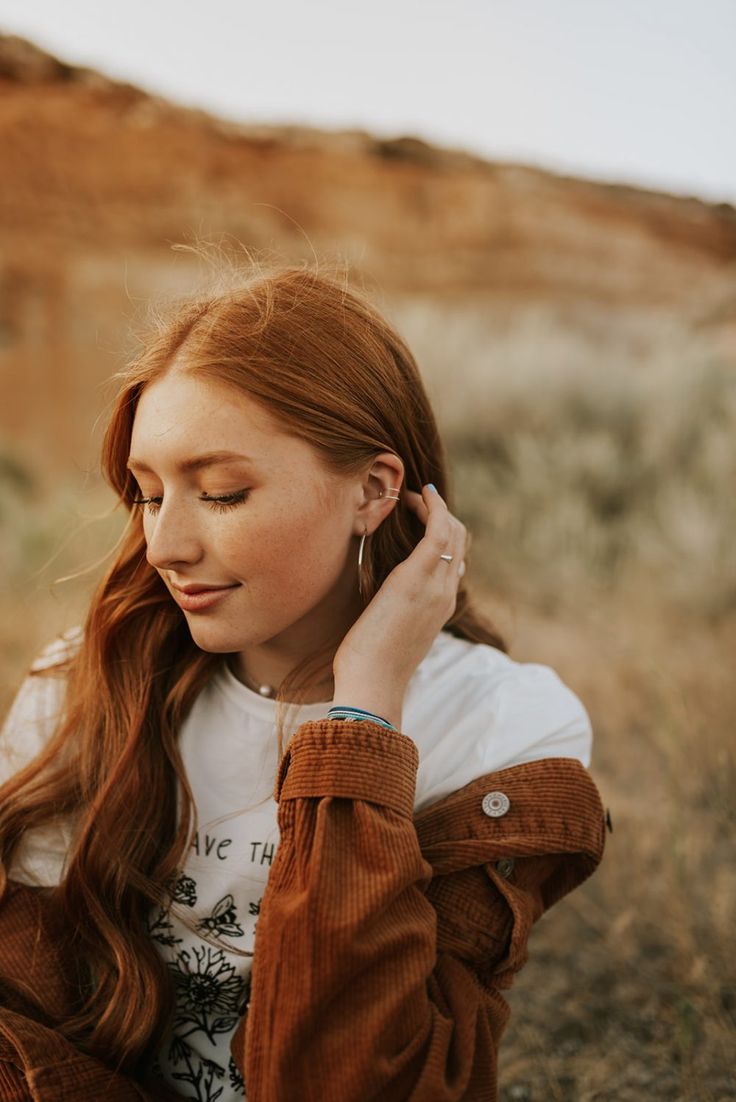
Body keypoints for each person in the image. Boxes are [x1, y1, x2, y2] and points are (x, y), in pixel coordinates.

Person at [0, 264, 608, 1101]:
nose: (163, 545)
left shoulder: (503, 729)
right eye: (146, 494)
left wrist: (361, 720)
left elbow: (359, 1078)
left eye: (222, 493)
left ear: (372, 490)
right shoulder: (86, 683)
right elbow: (23, 1038)